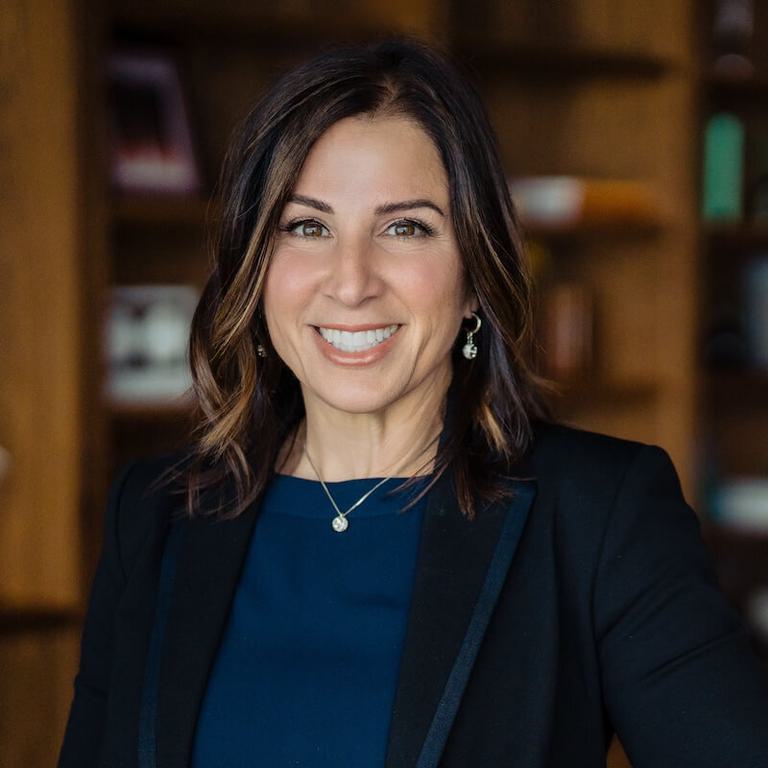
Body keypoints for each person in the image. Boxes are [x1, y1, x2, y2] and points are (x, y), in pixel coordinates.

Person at [58, 37, 768, 768]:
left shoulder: (597, 517)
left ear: (473, 277)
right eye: (308, 226)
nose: (352, 279)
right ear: (255, 269)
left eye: (405, 228)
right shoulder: (152, 515)